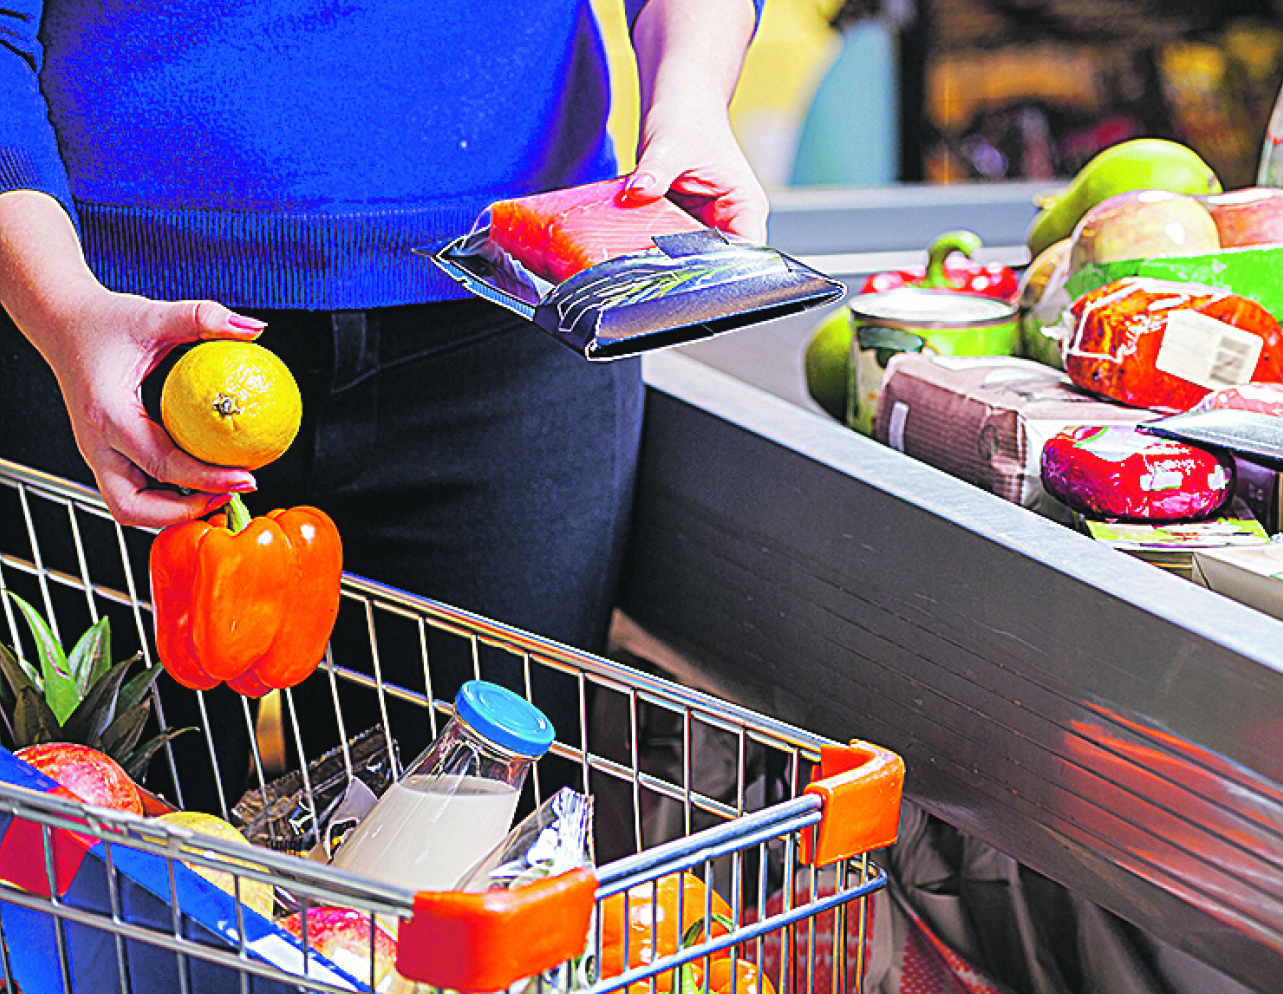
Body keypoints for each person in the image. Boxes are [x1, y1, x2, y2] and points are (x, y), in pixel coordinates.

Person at [0, 0, 768, 808]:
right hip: (104, 322)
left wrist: (691, 100)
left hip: (512, 313)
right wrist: (61, 309)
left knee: (470, 862)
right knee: (104, 881)